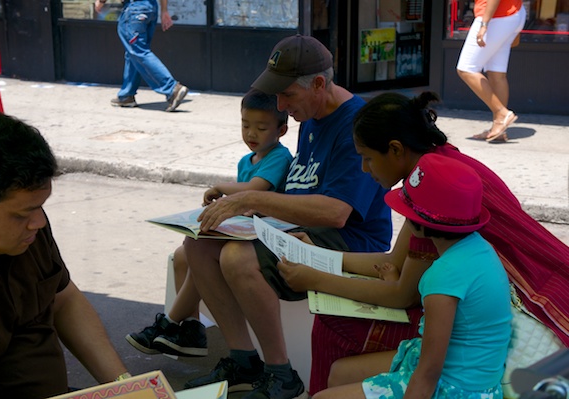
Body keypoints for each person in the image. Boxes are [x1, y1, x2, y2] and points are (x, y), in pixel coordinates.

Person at [277, 91, 569, 394]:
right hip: (480, 325)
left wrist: (317, 279)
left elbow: (402, 295)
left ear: (395, 150)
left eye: (367, 158)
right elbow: (394, 263)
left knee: (333, 325)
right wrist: (316, 255)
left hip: (493, 334)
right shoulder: (437, 171)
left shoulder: (432, 192)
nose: (365, 169)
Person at [181, 34, 392, 399]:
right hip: (300, 230)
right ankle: (243, 360)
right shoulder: (310, 116)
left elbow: (336, 212)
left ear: (319, 84)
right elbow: (299, 193)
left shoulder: (355, 123)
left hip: (349, 243)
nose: (280, 104)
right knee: (198, 243)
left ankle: (281, 373)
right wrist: (243, 201)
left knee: (236, 256)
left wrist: (253, 201)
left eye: (288, 94)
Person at [312, 153, 512, 399]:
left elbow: (429, 372)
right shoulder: (477, 249)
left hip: (453, 389)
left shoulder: (442, 276)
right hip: (475, 381)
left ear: (420, 223)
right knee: (339, 372)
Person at [0, 111, 130, 398]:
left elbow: (64, 299)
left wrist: (127, 388)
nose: (39, 222)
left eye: (40, 206)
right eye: (22, 213)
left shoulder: (28, 235)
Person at [124, 88, 293, 358]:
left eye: (261, 128)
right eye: (245, 125)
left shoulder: (280, 158)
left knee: (199, 251)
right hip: (244, 228)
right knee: (183, 255)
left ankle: (169, 322)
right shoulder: (245, 160)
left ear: (281, 130)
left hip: (264, 234)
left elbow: (254, 189)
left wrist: (221, 189)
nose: (251, 133)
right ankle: (191, 329)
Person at [94, 0, 189, 112]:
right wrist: (164, 10)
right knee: (134, 53)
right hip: (151, 9)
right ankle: (126, 95)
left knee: (139, 52)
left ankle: (172, 88)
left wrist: (101, 2)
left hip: (135, 9)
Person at [457, 0, 526, 142]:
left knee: (466, 68)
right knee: (496, 73)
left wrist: (484, 24)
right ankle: (499, 128)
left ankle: (501, 113)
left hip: (496, 16)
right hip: (513, 13)